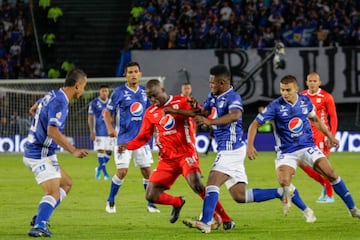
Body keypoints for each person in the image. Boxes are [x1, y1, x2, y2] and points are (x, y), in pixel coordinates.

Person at [183, 65, 315, 234]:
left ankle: (206, 221)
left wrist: (210, 122)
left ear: (222, 82)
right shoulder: (213, 96)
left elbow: (236, 115)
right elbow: (205, 111)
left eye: (212, 83)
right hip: (230, 149)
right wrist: (197, 108)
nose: (210, 85)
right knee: (239, 196)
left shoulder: (233, 97)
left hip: (231, 149)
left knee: (212, 182)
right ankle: (281, 193)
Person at [119, 79, 235, 230]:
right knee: (151, 195)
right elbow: (143, 137)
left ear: (162, 89)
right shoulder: (150, 113)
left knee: (197, 185)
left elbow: (201, 113)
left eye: (155, 96)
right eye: (149, 98)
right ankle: (177, 202)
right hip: (167, 160)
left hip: (185, 154)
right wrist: (127, 145)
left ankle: (225, 219)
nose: (153, 100)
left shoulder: (181, 101)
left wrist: (196, 107)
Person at [246, 74, 360, 221]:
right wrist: (250, 145)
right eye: (282, 90)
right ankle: (306, 209)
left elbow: (315, 120)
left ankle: (353, 209)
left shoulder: (305, 101)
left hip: (307, 146)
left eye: (288, 90)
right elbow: (255, 124)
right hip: (287, 151)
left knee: (331, 173)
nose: (285, 93)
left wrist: (330, 136)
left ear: (296, 89)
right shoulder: (275, 106)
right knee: (284, 182)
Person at [24, 69, 89, 237]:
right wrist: (73, 150)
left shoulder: (52, 94)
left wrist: (38, 127)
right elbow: (52, 131)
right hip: (39, 154)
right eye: (84, 86)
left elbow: (33, 109)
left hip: (43, 151)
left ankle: (41, 215)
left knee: (66, 184)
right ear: (77, 85)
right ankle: (39, 226)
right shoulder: (61, 101)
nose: (83, 90)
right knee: (52, 192)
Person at [103, 62, 160, 214]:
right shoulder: (118, 92)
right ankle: (110, 200)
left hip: (142, 140)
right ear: (125, 75)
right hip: (124, 140)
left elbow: (151, 112)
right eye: (130, 72)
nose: (133, 74)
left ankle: (150, 203)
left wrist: (155, 130)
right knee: (122, 171)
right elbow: (107, 112)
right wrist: (110, 128)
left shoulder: (144, 92)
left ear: (140, 74)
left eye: (136, 72)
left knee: (147, 172)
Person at [299, 72, 338, 203]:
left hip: (322, 135)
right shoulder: (302, 96)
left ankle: (329, 194)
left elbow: (333, 116)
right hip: (306, 136)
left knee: (323, 166)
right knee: (301, 163)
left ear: (319, 82)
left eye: (315, 81)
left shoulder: (326, 97)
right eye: (310, 81)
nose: (312, 83)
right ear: (306, 82)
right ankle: (325, 185)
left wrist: (331, 135)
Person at [88, 84, 114, 180]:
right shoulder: (94, 103)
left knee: (109, 152)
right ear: (99, 92)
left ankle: (98, 168)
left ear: (108, 92)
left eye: (106, 91)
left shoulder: (112, 103)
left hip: (109, 132)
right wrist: (92, 131)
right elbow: (90, 118)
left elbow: (113, 116)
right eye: (102, 91)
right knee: (100, 151)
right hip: (98, 131)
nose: (104, 93)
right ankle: (106, 174)